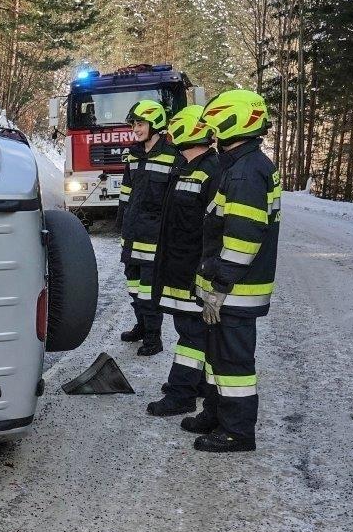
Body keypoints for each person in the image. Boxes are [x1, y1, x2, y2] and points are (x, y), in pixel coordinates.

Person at [182, 89, 281, 453]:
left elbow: (242, 239)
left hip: (235, 289)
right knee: (215, 356)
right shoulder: (242, 165)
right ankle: (216, 413)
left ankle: (237, 432)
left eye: (215, 122)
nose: (211, 130)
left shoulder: (244, 174)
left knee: (233, 362)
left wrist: (220, 283)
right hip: (230, 286)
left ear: (232, 121)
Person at [145, 104, 221, 417]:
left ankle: (181, 393)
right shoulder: (186, 167)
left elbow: (213, 231)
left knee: (192, 333)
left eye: (175, 127)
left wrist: (206, 272)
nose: (169, 132)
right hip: (176, 268)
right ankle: (198, 382)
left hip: (193, 272)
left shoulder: (210, 172)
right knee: (187, 329)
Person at [116, 99, 181, 357]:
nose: (136, 128)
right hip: (132, 233)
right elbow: (126, 192)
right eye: (134, 124)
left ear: (155, 124)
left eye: (140, 123)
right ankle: (141, 327)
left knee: (148, 291)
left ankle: (154, 339)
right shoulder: (133, 154)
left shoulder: (173, 155)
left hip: (154, 237)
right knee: (133, 286)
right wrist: (122, 224)